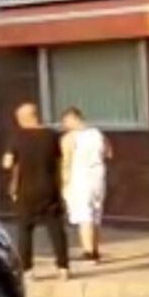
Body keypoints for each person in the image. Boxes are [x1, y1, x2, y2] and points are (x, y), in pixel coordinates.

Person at [1, 102, 70, 280]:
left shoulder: (17, 137)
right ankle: (63, 267)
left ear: (23, 118)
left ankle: (27, 270)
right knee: (56, 228)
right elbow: (61, 159)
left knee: (25, 230)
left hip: (25, 191)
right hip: (49, 188)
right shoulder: (52, 136)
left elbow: (7, 163)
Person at [60, 106, 111, 264]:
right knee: (96, 214)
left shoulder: (69, 138)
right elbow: (109, 153)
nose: (64, 125)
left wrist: (64, 183)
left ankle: (88, 252)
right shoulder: (97, 134)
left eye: (66, 121)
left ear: (73, 118)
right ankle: (95, 249)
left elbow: (66, 162)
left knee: (84, 216)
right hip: (98, 177)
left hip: (80, 178)